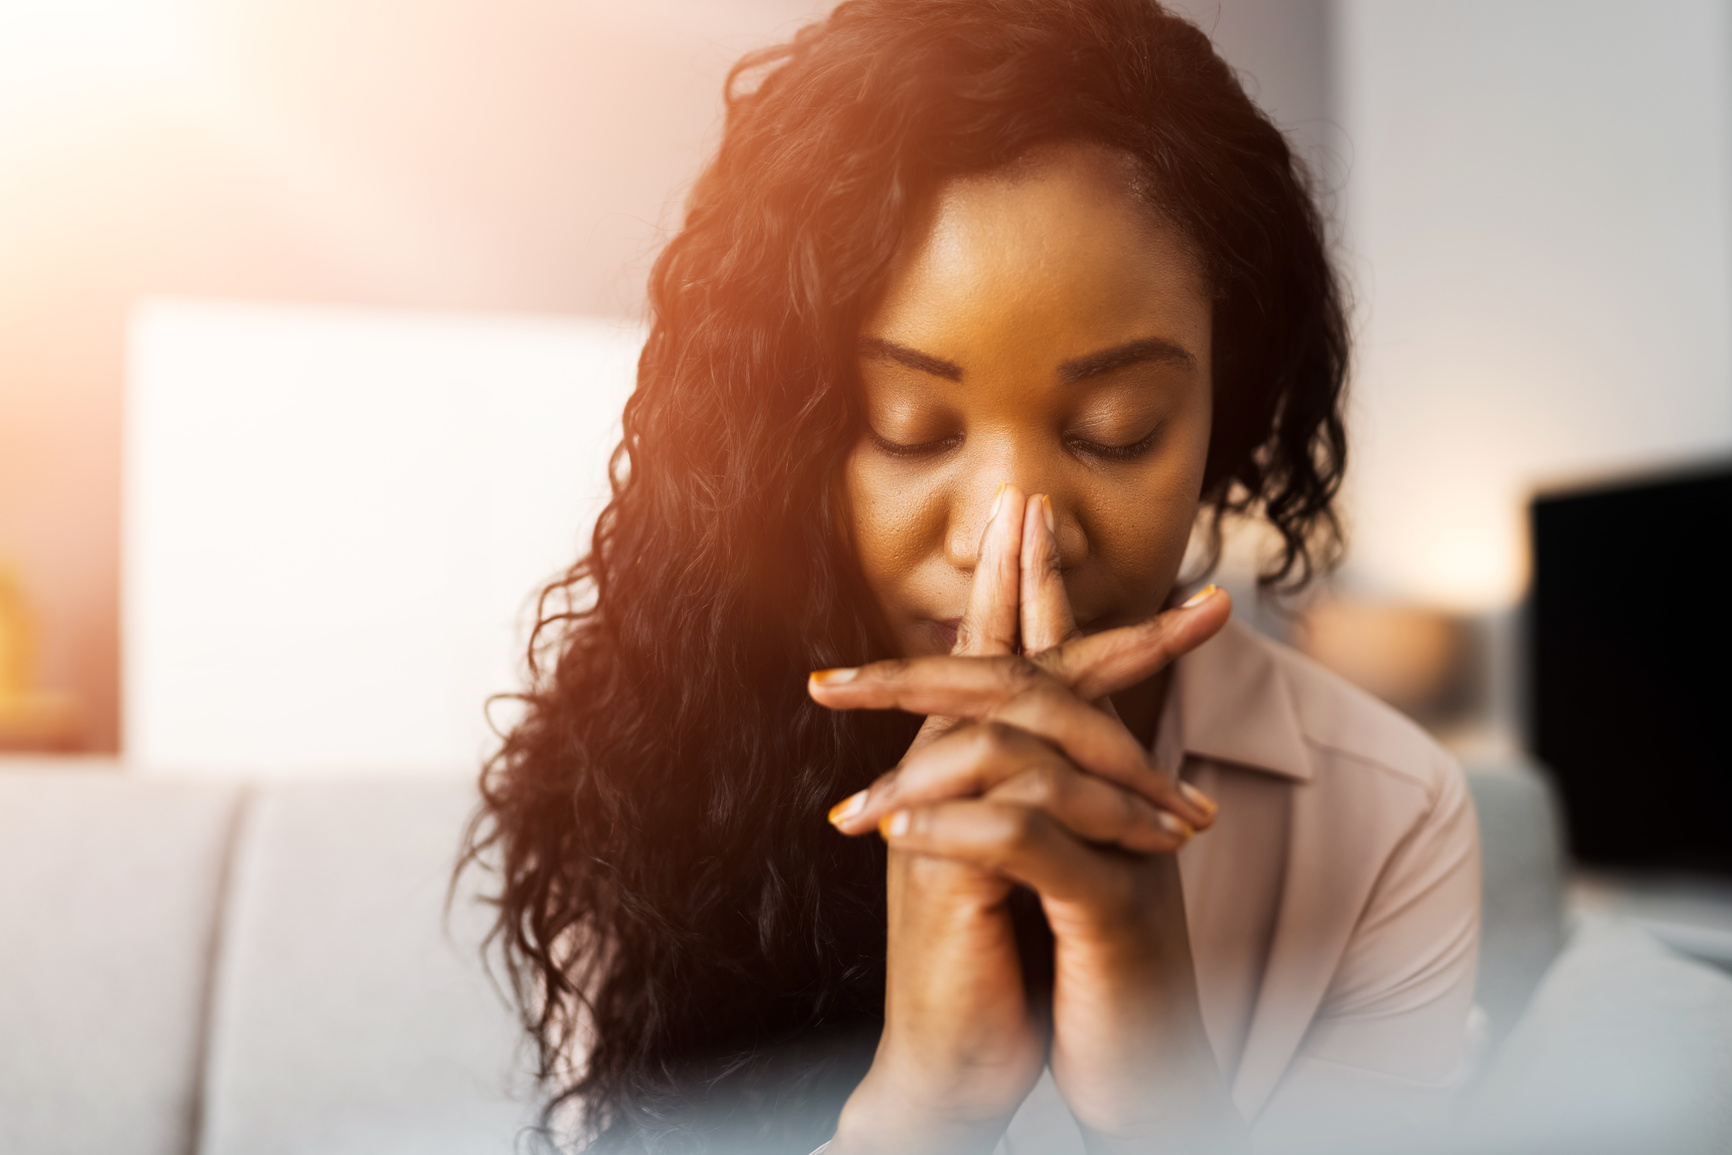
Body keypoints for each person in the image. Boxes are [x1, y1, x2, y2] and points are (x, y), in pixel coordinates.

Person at [464, 2, 1480, 1152]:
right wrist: (923, 1102)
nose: (1016, 536)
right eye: (908, 427)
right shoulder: (645, 760)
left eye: (1116, 427)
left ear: (1222, 415)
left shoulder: (1389, 817)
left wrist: (1163, 1096)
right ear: (786, 442)